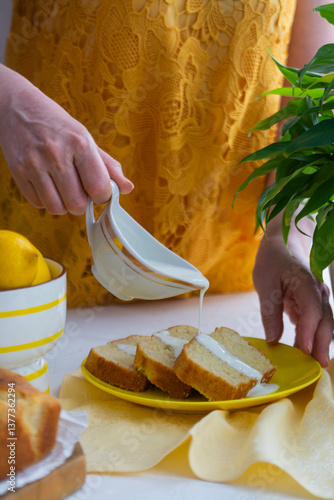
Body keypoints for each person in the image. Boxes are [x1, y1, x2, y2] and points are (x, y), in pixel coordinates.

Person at [0, 0, 333, 367]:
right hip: (47, 268)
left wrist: (285, 234)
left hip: (235, 277)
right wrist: (11, 103)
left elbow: (308, 102)